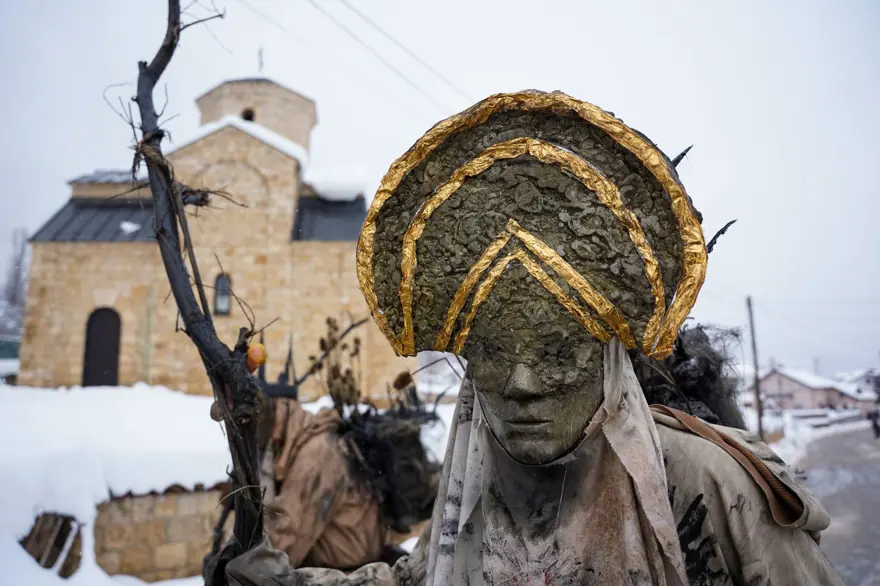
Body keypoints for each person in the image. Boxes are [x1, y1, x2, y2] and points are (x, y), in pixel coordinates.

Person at [207, 90, 844, 585]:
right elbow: (418, 578)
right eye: (490, 352)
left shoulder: (709, 488)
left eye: (558, 352)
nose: (520, 384)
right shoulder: (481, 487)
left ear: (609, 360)